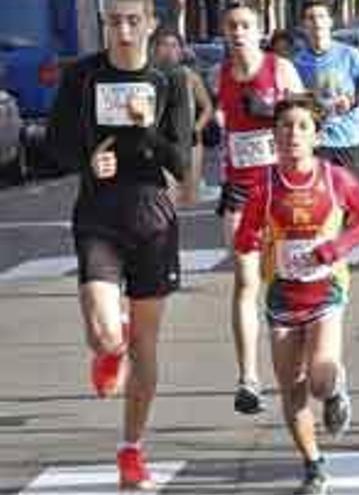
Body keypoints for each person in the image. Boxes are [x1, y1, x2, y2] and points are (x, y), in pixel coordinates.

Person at [44, 0, 191, 488]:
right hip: (99, 214)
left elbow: (182, 161)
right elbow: (55, 143)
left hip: (152, 217)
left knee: (145, 345)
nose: (123, 30)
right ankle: (110, 345)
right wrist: (87, 162)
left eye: (133, 20)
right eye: (114, 21)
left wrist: (145, 125)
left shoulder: (170, 79)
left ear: (150, 24)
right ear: (104, 24)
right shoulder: (82, 77)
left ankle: (132, 449)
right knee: (109, 335)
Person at [235, 93, 359, 495]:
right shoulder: (264, 185)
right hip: (282, 296)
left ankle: (335, 389)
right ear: (274, 135)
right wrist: (251, 238)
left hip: (326, 292)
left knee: (319, 377)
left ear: (317, 136)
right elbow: (245, 234)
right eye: (285, 126)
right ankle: (313, 464)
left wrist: (336, 247)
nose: (293, 134)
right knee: (292, 388)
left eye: (302, 127)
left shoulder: (335, 179)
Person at [216, 0, 304, 415]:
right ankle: (248, 378)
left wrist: (271, 113)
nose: (237, 33)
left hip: (282, 189)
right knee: (245, 280)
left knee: (290, 280)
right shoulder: (220, 74)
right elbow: (225, 130)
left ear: (259, 30)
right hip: (240, 192)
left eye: (244, 25)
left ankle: (305, 361)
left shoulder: (279, 69)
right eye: (231, 26)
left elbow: (308, 119)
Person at [294, 0, 359, 169]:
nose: (317, 22)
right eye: (311, 18)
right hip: (313, 142)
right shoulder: (297, 62)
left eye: (321, 16)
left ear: (330, 21)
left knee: (344, 193)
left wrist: (351, 101)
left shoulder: (349, 54)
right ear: (303, 25)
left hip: (346, 140)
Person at [153, 29, 216, 204]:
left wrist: (197, 127)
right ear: (155, 49)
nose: (168, 50)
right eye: (164, 45)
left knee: (190, 197)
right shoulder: (150, 76)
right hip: (162, 143)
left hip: (191, 142)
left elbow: (207, 107)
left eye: (173, 45)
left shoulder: (190, 76)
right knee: (167, 195)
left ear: (181, 51)